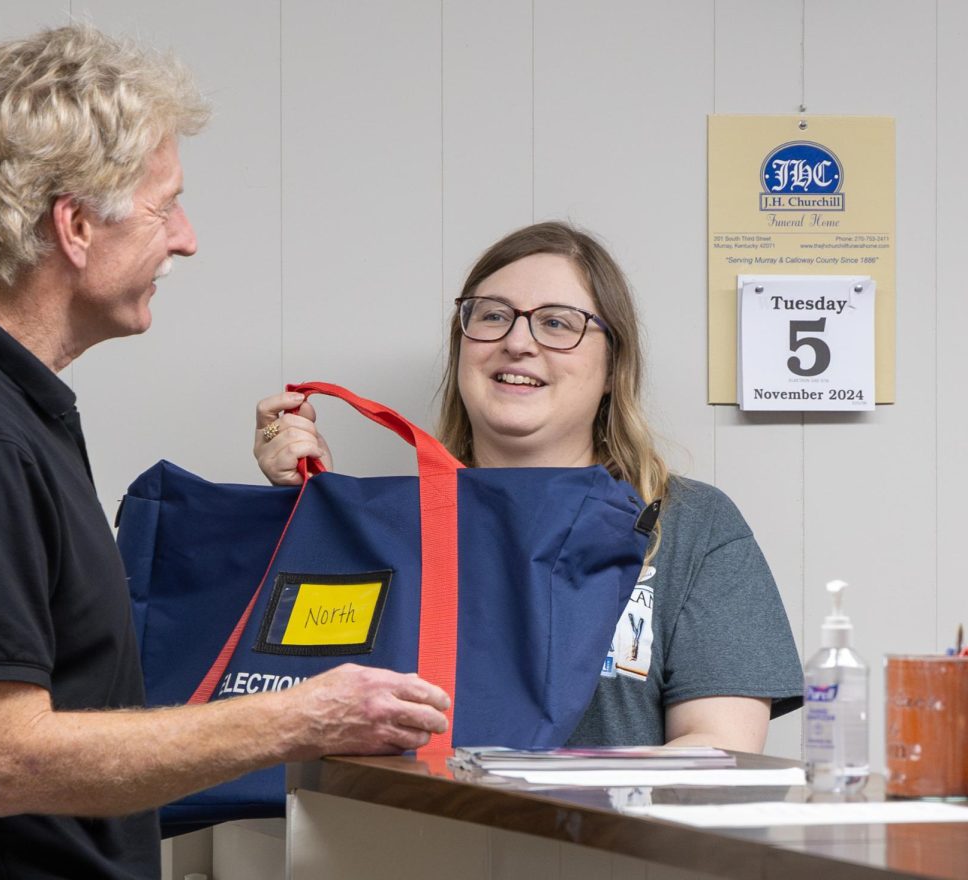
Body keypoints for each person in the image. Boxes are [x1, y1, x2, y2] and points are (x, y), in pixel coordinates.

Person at [0, 25, 448, 879]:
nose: (187, 238)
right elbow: (9, 759)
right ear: (77, 225)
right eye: (166, 205)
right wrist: (300, 720)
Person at [254, 221, 803, 752]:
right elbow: (309, 709)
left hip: (607, 846)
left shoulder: (688, 523)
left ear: (614, 365)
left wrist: (516, 787)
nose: (517, 342)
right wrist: (306, 514)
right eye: (492, 316)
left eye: (558, 323)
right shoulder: (386, 525)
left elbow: (720, 747)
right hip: (407, 843)